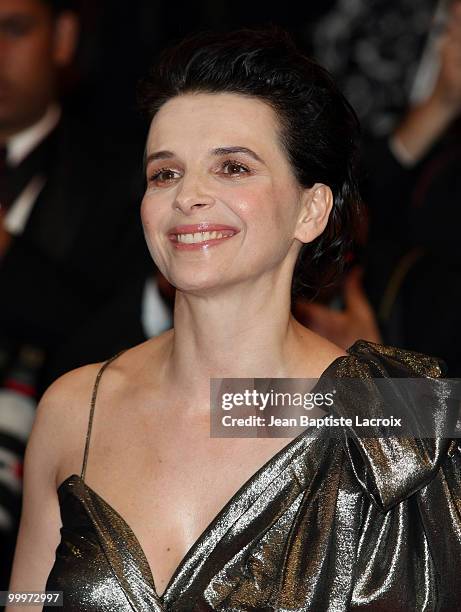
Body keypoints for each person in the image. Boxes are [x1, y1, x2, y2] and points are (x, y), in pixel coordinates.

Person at [7, 28, 461, 611]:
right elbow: (21, 596)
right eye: (164, 173)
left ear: (310, 210)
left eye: (233, 168)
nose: (188, 195)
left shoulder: (400, 413)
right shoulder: (75, 407)